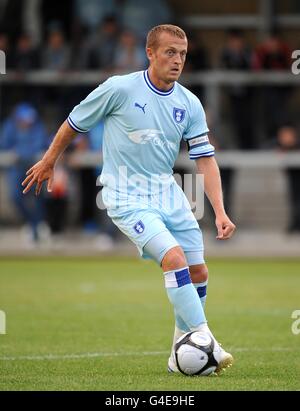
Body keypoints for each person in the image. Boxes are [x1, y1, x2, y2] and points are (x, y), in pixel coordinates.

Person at [22, 24, 236, 374]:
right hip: (125, 196)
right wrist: (49, 160)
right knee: (174, 259)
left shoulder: (189, 103)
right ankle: (205, 338)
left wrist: (220, 211)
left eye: (182, 53)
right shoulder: (119, 88)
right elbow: (74, 122)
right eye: (170, 52)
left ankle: (178, 355)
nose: (177, 60)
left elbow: (204, 159)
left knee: (198, 270)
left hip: (170, 193)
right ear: (150, 53)